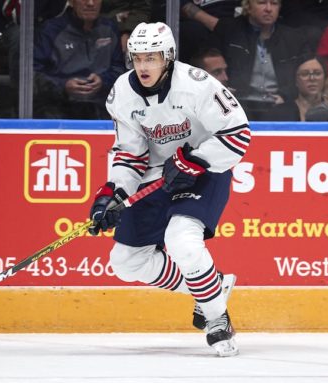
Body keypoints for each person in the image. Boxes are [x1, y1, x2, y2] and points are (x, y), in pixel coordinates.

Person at [88, 22, 250, 356]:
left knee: (181, 240)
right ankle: (211, 287)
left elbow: (238, 135)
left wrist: (196, 160)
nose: (143, 66)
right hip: (157, 175)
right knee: (126, 262)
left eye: (152, 57)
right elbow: (131, 154)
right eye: (137, 58)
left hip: (204, 169)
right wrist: (112, 194)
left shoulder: (197, 85)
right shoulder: (122, 93)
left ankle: (217, 318)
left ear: (169, 56)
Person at [181, 0, 313, 121]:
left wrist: (285, 96)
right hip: (236, 102)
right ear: (248, 7)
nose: (268, 9)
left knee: (287, 113)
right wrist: (224, 89)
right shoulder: (228, 30)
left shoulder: (293, 38)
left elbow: (303, 76)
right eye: (262, 3)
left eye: (274, 3)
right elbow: (207, 64)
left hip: (279, 105)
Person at [33, 0, 126, 119]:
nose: (91, 3)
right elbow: (32, 74)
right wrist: (63, 86)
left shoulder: (109, 28)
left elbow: (119, 69)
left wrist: (103, 81)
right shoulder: (51, 30)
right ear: (71, 2)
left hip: (102, 108)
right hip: (59, 109)